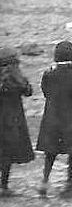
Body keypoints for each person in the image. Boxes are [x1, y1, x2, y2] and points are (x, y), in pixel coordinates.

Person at [36, 41, 72, 197]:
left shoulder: (48, 75)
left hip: (52, 119)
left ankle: (44, 181)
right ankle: (70, 180)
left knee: (50, 153)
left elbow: (45, 93)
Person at [0, 48, 34, 197]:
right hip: (12, 121)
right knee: (7, 154)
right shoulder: (16, 77)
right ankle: (4, 186)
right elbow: (28, 91)